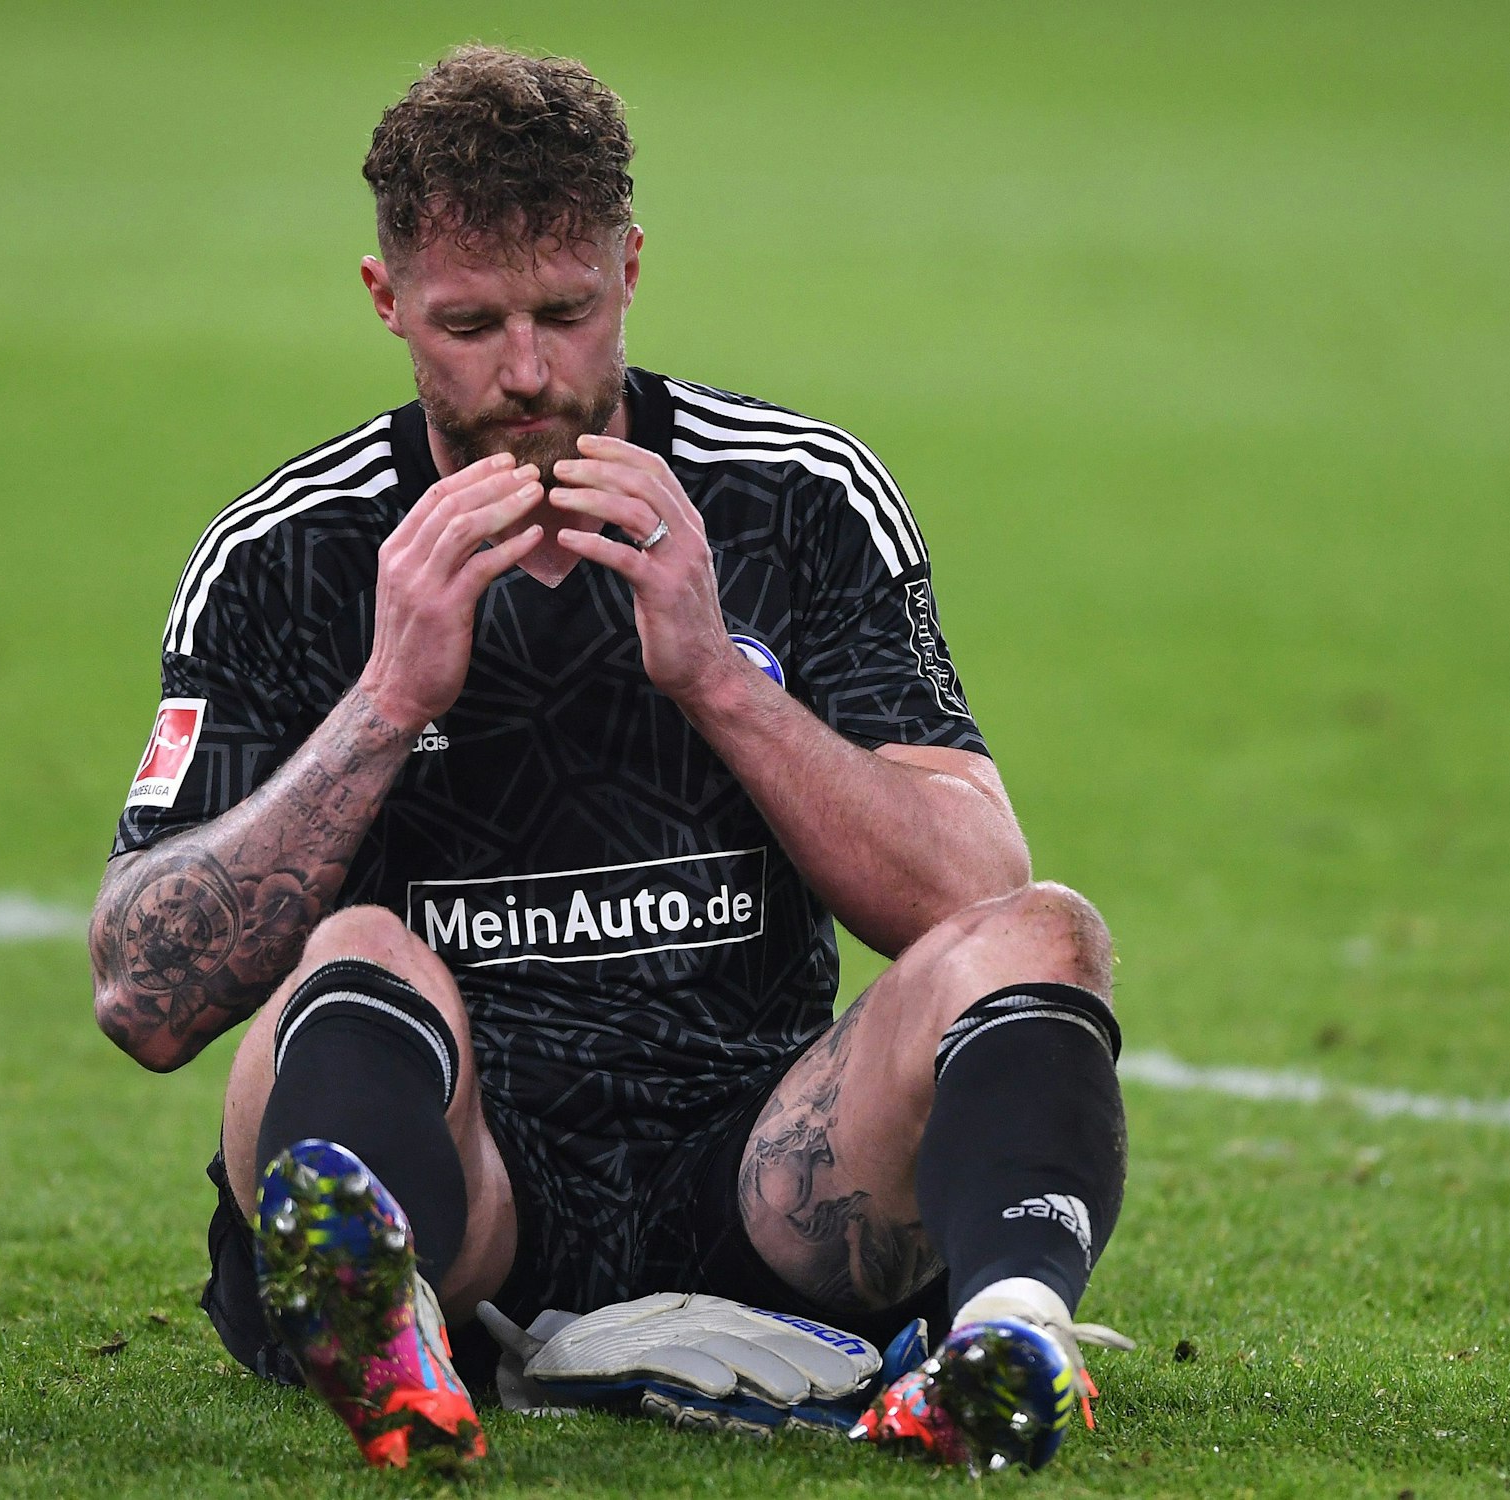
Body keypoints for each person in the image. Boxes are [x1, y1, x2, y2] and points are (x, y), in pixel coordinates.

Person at [88, 44, 1129, 1473]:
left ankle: (1012, 1340)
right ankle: (382, 1328)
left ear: (630, 270)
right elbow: (143, 992)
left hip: (764, 1173)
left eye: (567, 314)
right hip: (465, 1185)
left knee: (1051, 934)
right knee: (358, 956)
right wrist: (387, 698)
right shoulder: (293, 554)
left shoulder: (798, 501)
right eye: (470, 325)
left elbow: (974, 899)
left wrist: (720, 679)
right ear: (387, 300)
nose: (528, 374)